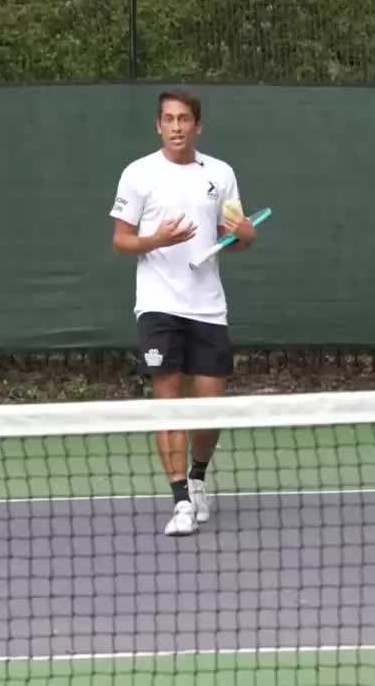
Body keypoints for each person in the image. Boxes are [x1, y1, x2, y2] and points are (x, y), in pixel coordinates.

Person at [108, 89, 258, 536]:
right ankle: (179, 502)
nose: (176, 126)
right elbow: (120, 240)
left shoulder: (221, 174)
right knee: (168, 405)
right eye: (169, 119)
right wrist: (157, 241)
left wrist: (246, 233)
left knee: (210, 411)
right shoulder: (138, 174)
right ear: (159, 125)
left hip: (207, 307)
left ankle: (197, 477)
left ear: (198, 126)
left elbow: (237, 235)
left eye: (184, 119)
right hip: (158, 306)